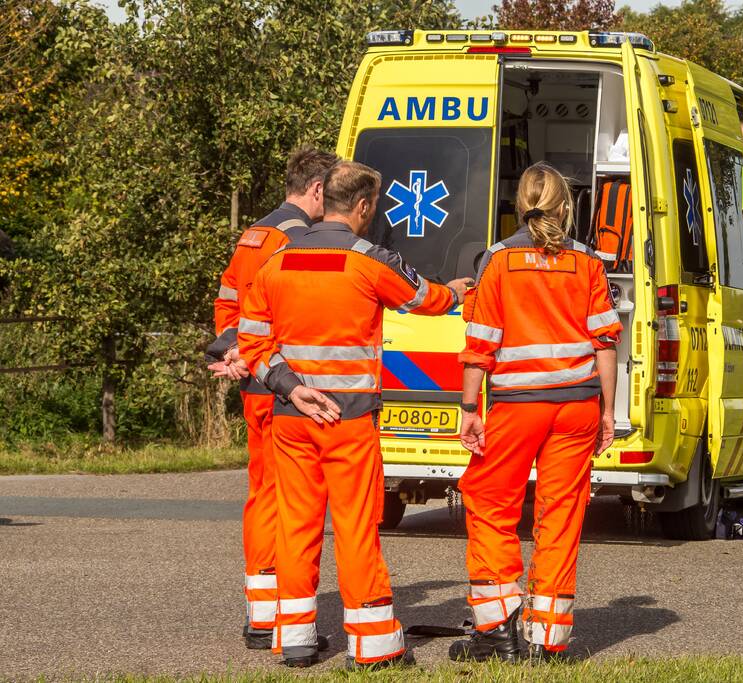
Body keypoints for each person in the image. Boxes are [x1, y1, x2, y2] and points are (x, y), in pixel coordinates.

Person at [237, 160, 473, 669]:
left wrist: (292, 388)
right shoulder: (370, 260)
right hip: (349, 422)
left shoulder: (276, 262)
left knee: (296, 526)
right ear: (362, 206)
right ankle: (372, 645)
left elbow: (251, 341)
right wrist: (458, 290)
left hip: (293, 418)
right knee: (355, 527)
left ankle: (295, 639)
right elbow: (424, 300)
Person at [451, 162, 621, 662]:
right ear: (566, 206)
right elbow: (605, 344)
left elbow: (480, 344)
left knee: (487, 502)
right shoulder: (589, 263)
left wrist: (468, 408)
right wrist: (608, 411)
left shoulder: (497, 261)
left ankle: (496, 628)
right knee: (561, 516)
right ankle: (547, 641)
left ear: (520, 203)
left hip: (517, 408)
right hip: (577, 405)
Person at [205, 146, 337, 651]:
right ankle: (290, 620)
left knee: (263, 495)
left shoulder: (254, 233)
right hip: (287, 387)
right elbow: (300, 309)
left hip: (255, 381)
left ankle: (262, 614)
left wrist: (236, 352)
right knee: (297, 502)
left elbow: (228, 302)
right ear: (318, 190)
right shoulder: (297, 238)